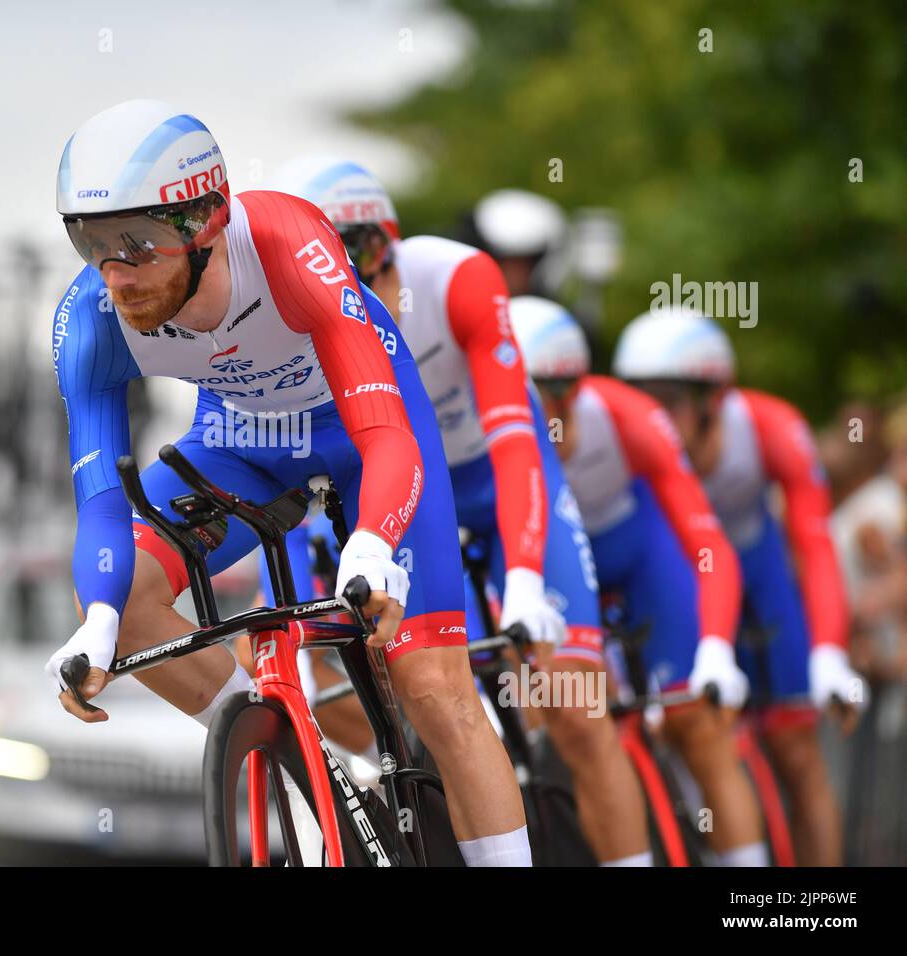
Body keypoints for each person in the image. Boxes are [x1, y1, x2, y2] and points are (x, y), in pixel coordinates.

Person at [43, 101, 530, 865]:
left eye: (136, 241)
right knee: (117, 597)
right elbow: (102, 502)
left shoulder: (287, 244)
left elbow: (387, 436)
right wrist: (100, 624)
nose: (115, 271)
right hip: (239, 441)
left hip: (364, 432)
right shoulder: (91, 320)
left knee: (433, 687)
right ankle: (294, 755)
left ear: (204, 220)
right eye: (90, 240)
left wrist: (371, 544)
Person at [271, 156, 652, 866]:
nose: (362, 274)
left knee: (577, 708)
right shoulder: (304, 323)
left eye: (374, 250)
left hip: (497, 478)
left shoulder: (456, 278)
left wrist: (529, 585)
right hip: (418, 491)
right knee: (438, 698)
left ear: (396, 242)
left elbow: (517, 446)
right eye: (337, 259)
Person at [509, 295, 769, 865]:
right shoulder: (491, 440)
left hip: (639, 555)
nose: (526, 418)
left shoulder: (628, 416)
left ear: (573, 391)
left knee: (698, 727)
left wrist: (716, 650)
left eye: (544, 401)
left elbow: (706, 542)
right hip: (554, 566)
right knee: (562, 709)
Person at [613, 306, 867, 866]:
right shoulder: (629, 440)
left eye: (670, 398)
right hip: (681, 583)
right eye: (642, 397)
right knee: (693, 734)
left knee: (797, 753)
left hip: (760, 583)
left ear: (712, 401)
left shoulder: (771, 428)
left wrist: (828, 652)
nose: (654, 414)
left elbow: (815, 542)